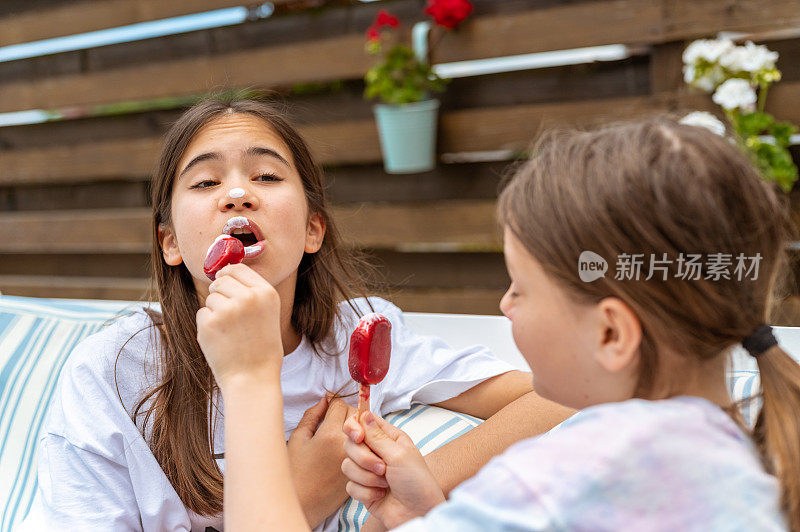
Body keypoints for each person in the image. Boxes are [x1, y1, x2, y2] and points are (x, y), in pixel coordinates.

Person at [201, 117, 800, 530]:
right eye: (206, 182)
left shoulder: (558, 479)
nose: (504, 306)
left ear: (612, 334)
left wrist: (251, 377)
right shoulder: (730, 458)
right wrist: (426, 504)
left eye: (521, 287)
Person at [22, 98, 571, 531]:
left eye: (266, 176)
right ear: (170, 243)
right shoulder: (116, 370)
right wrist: (300, 499)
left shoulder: (356, 336)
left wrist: (422, 482)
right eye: (206, 182)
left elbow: (565, 394)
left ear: (313, 229)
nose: (237, 193)